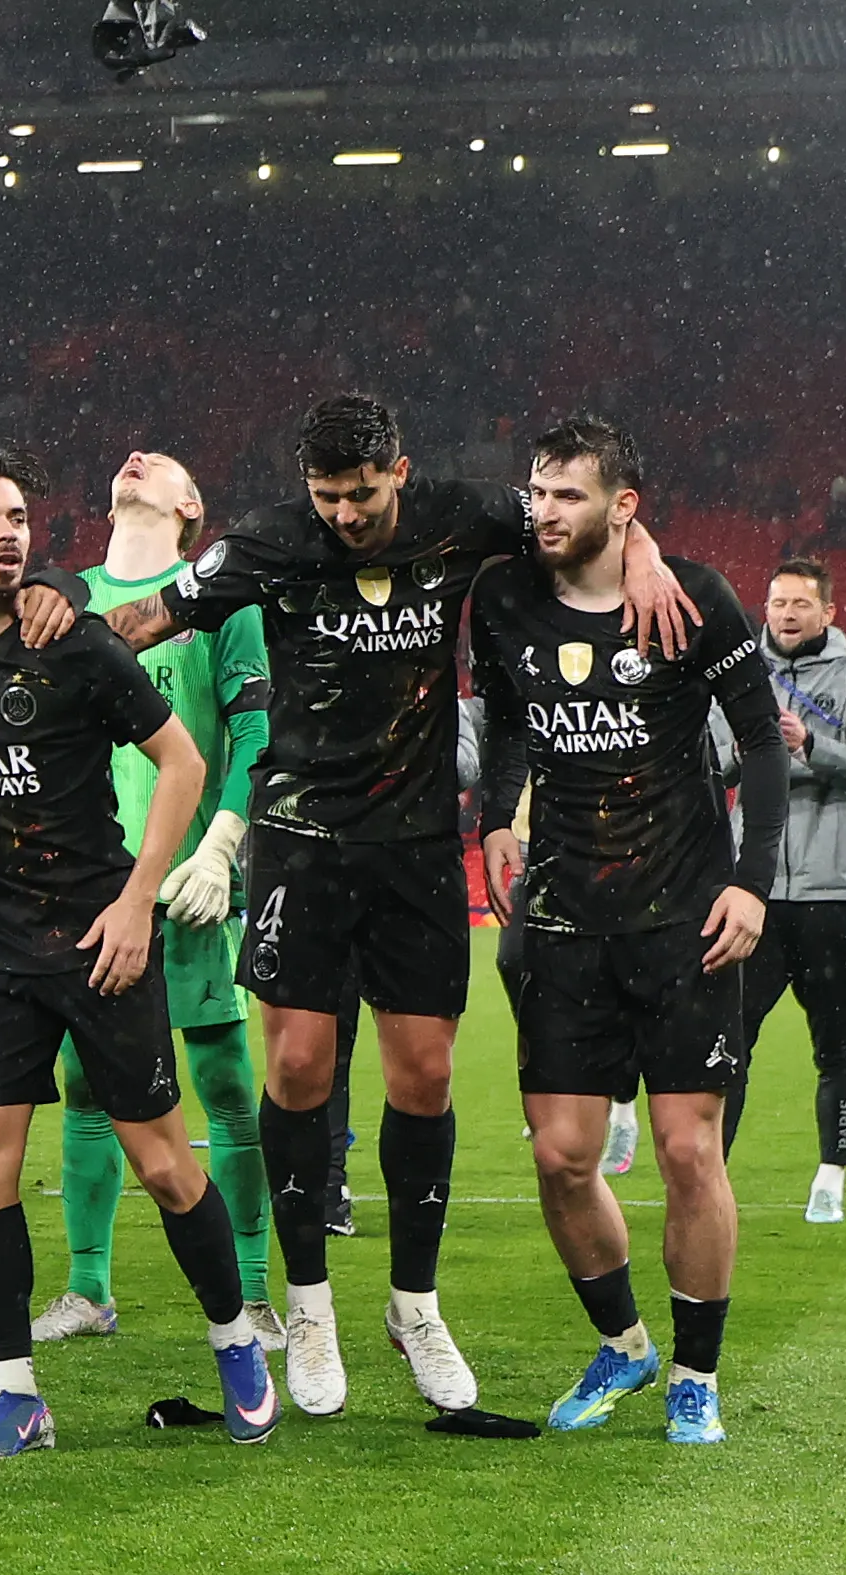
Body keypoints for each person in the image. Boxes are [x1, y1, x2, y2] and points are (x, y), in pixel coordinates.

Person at [106, 391, 690, 1423]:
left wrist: (639, 547)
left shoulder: (466, 515)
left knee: (422, 1075)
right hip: (300, 837)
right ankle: (309, 1303)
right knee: (296, 1065)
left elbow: (575, 516)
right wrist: (52, 630)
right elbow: (149, 618)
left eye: (362, 493)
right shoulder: (265, 544)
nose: (344, 514)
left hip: (417, 845)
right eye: (327, 495)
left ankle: (413, 1305)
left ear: (401, 474)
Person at [0, 435, 272, 1461]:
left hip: (100, 938)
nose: (7, 533)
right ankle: (17, 1393)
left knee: (162, 1161)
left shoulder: (74, 642)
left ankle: (234, 1338)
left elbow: (182, 759)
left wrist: (135, 900)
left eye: (19, 517)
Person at [472, 419, 788, 1446]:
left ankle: (696, 1375)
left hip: (681, 917)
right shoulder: (505, 593)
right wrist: (496, 814)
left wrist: (751, 884)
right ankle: (624, 1343)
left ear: (624, 505)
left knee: (687, 1150)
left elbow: (761, 744)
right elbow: (514, 718)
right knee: (563, 1156)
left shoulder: (692, 597)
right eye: (536, 492)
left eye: (567, 494)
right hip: (563, 919)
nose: (543, 511)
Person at [41, 452, 273, 1345]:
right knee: (83, 1083)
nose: (135, 457)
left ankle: (252, 1291)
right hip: (90, 884)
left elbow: (255, 727)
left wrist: (222, 845)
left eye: (163, 462)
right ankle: (89, 1290)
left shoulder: (220, 595)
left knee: (222, 1081)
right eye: (127, 458)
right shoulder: (64, 602)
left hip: (193, 885)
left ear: (191, 504)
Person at [725, 554, 846, 1225]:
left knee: (837, 1046)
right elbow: (714, 759)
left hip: (832, 893)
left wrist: (811, 746)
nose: (787, 614)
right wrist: (769, 751)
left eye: (800, 604)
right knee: (728, 1040)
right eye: (777, 603)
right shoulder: (738, 678)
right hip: (754, 892)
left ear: (829, 612)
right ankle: (712, 1170)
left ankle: (832, 1174)